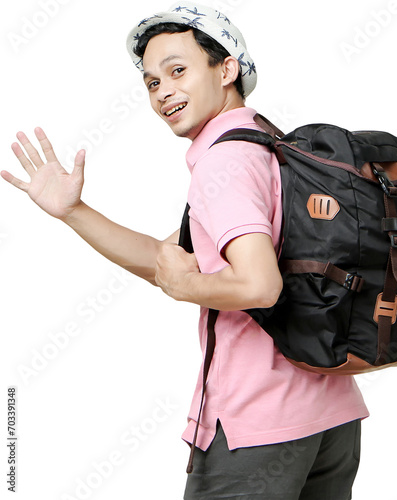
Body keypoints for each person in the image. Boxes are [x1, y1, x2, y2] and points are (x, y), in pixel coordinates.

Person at [1, 2, 369, 499]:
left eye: (178, 70)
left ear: (227, 69)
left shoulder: (225, 163)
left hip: (257, 427)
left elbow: (259, 285)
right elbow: (165, 258)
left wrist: (184, 286)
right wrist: (73, 210)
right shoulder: (268, 145)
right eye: (152, 82)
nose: (164, 91)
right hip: (330, 416)